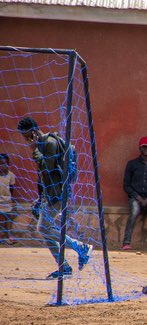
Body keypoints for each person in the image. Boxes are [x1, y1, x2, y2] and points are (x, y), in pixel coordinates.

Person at [16, 116, 92, 278]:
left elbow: (46, 168)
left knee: (43, 228)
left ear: (34, 132)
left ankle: (80, 248)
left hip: (58, 194)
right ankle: (64, 266)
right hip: (50, 193)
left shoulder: (49, 144)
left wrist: (34, 150)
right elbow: (44, 177)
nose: (26, 140)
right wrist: (41, 196)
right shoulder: (44, 143)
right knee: (44, 229)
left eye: (27, 136)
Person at [121, 136, 147, 251]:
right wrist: (138, 197)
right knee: (134, 211)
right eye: (143, 147)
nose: (145, 150)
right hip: (135, 197)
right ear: (139, 148)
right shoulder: (132, 164)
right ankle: (126, 242)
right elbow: (126, 185)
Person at [0, 153, 14, 244]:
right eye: (1, 164)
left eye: (5, 163)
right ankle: (1, 234)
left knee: (8, 218)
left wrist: (9, 199)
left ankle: (8, 234)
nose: (3, 166)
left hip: (7, 201)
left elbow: (12, 188)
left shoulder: (11, 175)